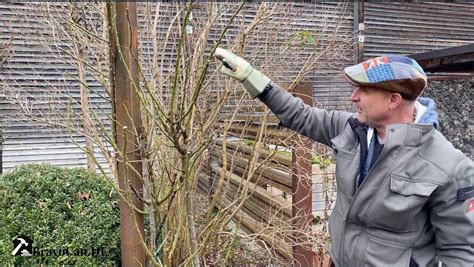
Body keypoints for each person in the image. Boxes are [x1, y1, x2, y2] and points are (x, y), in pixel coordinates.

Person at [214, 47, 474, 267]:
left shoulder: (450, 166)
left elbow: (460, 249)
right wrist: (252, 78)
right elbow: (300, 115)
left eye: (363, 90)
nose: (353, 97)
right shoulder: (351, 130)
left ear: (393, 100)